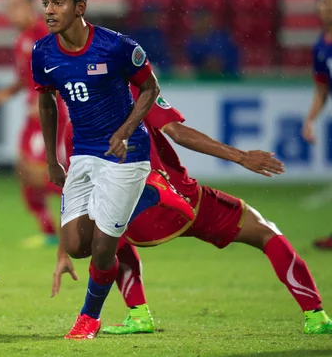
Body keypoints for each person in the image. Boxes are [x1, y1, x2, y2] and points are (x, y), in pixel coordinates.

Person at [53, 91, 332, 336]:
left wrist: (64, 252)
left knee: (111, 227)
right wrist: (241, 156)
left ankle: (137, 314)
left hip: (137, 221)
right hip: (187, 202)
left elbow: (77, 191)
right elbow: (177, 132)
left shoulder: (75, 127)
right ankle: (315, 315)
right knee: (264, 232)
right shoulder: (139, 91)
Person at [32, 0, 164, 339]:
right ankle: (123, 222)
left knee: (104, 248)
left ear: (80, 7)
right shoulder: (42, 52)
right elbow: (46, 100)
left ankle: (88, 318)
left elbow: (150, 88)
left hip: (127, 153)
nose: (49, 10)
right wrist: (51, 159)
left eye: (57, 2)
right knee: (76, 246)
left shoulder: (116, 46)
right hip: (83, 156)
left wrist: (123, 132)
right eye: (45, 3)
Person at [0, 0, 68, 248]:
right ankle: (49, 232)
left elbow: (64, 73)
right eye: (8, 7)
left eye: (17, 6)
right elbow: (23, 80)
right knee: (24, 171)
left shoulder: (46, 35)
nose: (11, 12)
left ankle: (89, 203)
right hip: (33, 115)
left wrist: (48, 98)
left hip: (48, 113)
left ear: (32, 6)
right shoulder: (21, 41)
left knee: (41, 173)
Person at [302, 0, 332, 250]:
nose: (326, 8)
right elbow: (322, 89)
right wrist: (311, 119)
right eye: (322, 2)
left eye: (329, 2)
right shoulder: (321, 46)